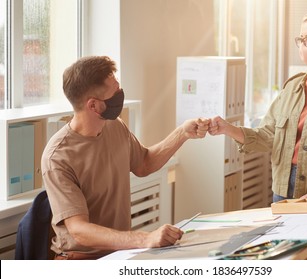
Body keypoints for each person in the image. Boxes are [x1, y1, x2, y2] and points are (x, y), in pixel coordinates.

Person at [208, 11, 307, 250]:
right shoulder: (292, 87)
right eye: (300, 39)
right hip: (283, 192)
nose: (302, 46)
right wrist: (227, 128)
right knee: (285, 260)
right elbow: (268, 137)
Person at [41, 56, 210, 260]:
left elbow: (144, 164)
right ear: (93, 106)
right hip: (82, 258)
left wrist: (182, 133)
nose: (119, 96)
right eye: (114, 94)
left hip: (119, 253)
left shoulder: (114, 126)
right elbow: (78, 230)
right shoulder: (58, 157)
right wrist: (145, 239)